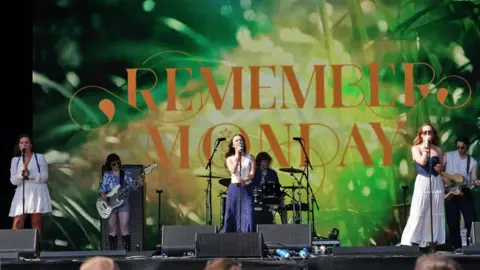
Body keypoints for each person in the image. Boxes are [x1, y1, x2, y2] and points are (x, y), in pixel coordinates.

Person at [401, 123, 449, 248]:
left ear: (433, 134)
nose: (428, 134)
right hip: (423, 180)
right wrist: (426, 148)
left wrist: (440, 169)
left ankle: (433, 239)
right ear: (421, 135)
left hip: (436, 181)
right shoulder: (416, 148)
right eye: (425, 132)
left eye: (430, 132)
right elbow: (422, 162)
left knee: (435, 211)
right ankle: (414, 239)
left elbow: (441, 167)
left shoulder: (438, 150)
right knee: (419, 210)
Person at [9, 134, 52, 235]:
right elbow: (13, 181)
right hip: (22, 191)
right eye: (22, 142)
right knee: (18, 221)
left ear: (31, 145)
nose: (24, 144)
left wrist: (30, 174)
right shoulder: (15, 160)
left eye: (26, 142)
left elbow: (45, 176)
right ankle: (13, 247)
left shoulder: (39, 157)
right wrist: (21, 174)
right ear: (19, 146)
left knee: (36, 221)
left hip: (37, 190)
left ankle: (37, 248)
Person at [444, 136, 479, 253]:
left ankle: (471, 245)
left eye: (462, 148)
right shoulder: (448, 155)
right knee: (452, 220)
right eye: (458, 147)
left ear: (467, 147)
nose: (460, 150)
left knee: (471, 219)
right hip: (450, 191)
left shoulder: (472, 162)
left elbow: (473, 179)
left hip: (464, 191)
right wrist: (446, 180)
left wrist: (476, 182)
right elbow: (438, 170)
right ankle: (456, 246)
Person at [99, 153, 138, 251]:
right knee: (112, 227)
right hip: (110, 203)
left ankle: (127, 252)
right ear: (109, 165)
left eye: (118, 163)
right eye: (113, 164)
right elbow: (102, 190)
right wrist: (103, 196)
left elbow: (134, 186)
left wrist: (139, 183)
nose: (116, 166)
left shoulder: (126, 174)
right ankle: (113, 253)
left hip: (123, 201)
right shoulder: (107, 176)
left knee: (124, 226)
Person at [224, 134, 256, 232]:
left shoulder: (250, 157)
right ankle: (230, 236)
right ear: (233, 145)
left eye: (241, 140)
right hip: (234, 188)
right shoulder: (229, 159)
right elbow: (233, 170)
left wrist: (245, 179)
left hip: (247, 187)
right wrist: (237, 156)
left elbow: (252, 174)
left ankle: (248, 235)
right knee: (232, 212)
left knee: (248, 211)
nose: (239, 142)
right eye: (237, 140)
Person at [253, 152, 287, 224]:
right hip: (258, 197)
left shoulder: (272, 172)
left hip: (270, 198)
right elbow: (251, 185)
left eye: (267, 162)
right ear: (259, 162)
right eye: (264, 162)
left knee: (283, 206)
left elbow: (277, 185)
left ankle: (285, 226)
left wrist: (281, 192)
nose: (266, 163)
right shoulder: (254, 172)